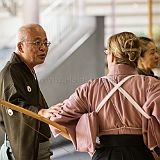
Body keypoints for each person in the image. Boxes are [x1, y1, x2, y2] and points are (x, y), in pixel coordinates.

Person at [39, 31, 160, 160]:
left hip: (105, 155)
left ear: (112, 56)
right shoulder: (152, 85)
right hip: (142, 154)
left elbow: (57, 120)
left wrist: (86, 142)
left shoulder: (90, 88)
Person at [0, 24, 53, 160]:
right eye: (37, 42)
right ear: (20, 47)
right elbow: (14, 108)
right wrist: (40, 112)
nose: (43, 48)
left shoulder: (27, 70)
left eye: (45, 42)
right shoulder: (11, 71)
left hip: (39, 147)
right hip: (20, 151)